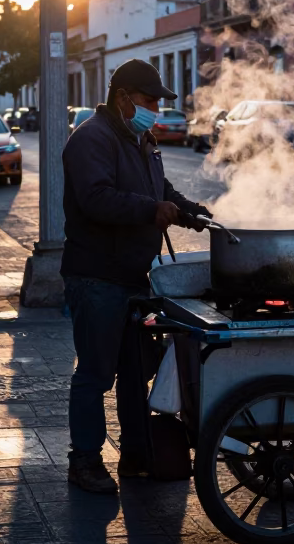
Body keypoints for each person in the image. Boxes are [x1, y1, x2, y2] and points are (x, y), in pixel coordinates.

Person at [61, 58, 211, 494]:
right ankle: (84, 460)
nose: (155, 110)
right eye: (148, 101)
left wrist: (188, 212)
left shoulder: (140, 137)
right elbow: (96, 199)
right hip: (96, 277)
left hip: (132, 276)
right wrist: (152, 211)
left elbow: (158, 190)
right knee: (95, 373)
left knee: (133, 370)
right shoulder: (91, 138)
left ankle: (135, 454)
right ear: (123, 97)